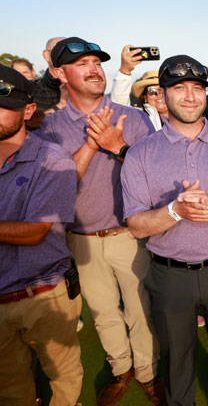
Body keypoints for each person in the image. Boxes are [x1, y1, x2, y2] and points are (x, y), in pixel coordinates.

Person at [121, 54, 208, 406]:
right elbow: (136, 225)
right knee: (176, 362)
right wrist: (176, 210)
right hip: (170, 275)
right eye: (178, 88)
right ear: (162, 95)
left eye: (197, 87)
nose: (190, 96)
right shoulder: (140, 154)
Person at [35, 37, 163, 406]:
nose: (94, 69)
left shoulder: (134, 117)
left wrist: (119, 146)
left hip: (128, 232)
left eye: (97, 61)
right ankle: (121, 367)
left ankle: (149, 372)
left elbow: (155, 176)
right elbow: (55, 186)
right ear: (59, 73)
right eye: (82, 64)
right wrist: (93, 145)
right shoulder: (50, 127)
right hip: (80, 238)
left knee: (141, 309)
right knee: (104, 312)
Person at [0, 65, 82, 406]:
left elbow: (35, 232)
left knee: (63, 378)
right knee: (9, 388)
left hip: (45, 295)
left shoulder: (53, 158)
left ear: (28, 110)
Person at [109, 46, 167, 130]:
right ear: (145, 96)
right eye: (152, 91)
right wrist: (125, 71)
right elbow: (119, 106)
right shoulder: (138, 117)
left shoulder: (185, 115)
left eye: (163, 91)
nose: (159, 95)